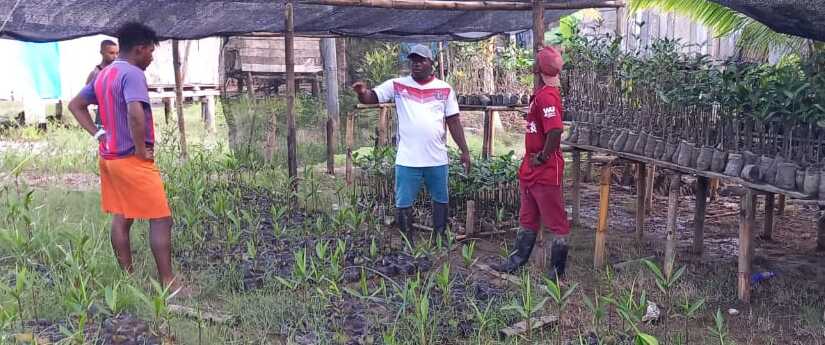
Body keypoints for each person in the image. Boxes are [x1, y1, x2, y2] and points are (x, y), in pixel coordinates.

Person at [68, 22, 183, 292]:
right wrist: (142, 150)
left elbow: (76, 105)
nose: (152, 57)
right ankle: (169, 282)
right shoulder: (132, 74)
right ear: (140, 49)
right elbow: (135, 113)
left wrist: (98, 135)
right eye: (151, 52)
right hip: (131, 159)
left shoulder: (105, 74)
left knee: (123, 216)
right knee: (161, 218)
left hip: (109, 158)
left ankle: (127, 278)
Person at [352, 44, 471, 246]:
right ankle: (408, 243)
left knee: (441, 199)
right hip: (408, 158)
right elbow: (373, 97)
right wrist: (362, 92)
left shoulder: (444, 88)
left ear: (431, 63)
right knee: (403, 202)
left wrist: (465, 151)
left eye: (421, 60)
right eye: (413, 60)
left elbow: (453, 121)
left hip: (436, 157)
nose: (416, 64)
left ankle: (439, 239)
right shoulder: (397, 85)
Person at [493, 46, 570, 280]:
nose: (532, 64)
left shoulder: (547, 96)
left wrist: (543, 156)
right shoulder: (543, 93)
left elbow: (555, 130)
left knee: (555, 220)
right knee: (528, 216)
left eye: (536, 61)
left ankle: (557, 272)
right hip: (532, 168)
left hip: (544, 169)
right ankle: (517, 260)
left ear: (539, 68)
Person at [86, 40, 119, 127]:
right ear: (102, 52)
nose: (115, 56)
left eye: (117, 53)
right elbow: (85, 98)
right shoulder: (95, 73)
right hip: (103, 119)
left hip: (119, 117)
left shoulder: (117, 70)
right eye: (111, 53)